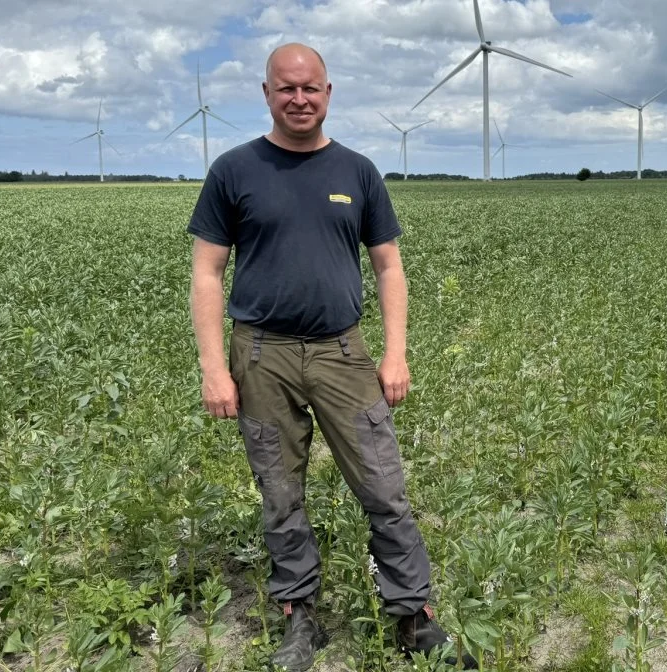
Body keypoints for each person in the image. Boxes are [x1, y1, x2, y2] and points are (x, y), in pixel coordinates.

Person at [187, 43, 473, 671]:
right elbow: (207, 273)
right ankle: (299, 616)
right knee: (279, 490)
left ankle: (411, 616)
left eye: (310, 88)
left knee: (383, 485)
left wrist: (395, 354)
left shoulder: (359, 171)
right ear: (266, 94)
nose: (299, 99)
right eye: (286, 88)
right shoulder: (234, 170)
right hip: (260, 353)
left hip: (344, 352)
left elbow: (389, 265)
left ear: (328, 92)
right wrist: (214, 367)